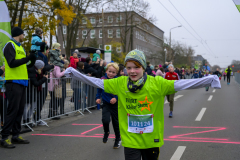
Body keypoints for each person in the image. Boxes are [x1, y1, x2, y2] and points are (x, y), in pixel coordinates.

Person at [64, 49, 220, 160]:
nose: (132, 71)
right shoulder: (120, 83)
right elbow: (97, 82)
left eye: (136, 67)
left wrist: (209, 79)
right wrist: (75, 73)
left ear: (143, 67)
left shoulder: (157, 83)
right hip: (131, 139)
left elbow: (181, 84)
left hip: (151, 140)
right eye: (129, 68)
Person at [1, 27, 37, 148]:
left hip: (22, 82)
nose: (24, 35)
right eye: (23, 34)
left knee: (19, 110)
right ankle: (4, 137)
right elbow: (11, 63)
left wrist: (31, 60)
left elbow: (24, 64)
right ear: (18, 34)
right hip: (13, 82)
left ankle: (15, 135)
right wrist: (27, 58)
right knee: (12, 110)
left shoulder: (20, 47)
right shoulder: (9, 45)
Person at [96, 63, 121, 149]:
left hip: (115, 105)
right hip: (106, 104)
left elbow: (121, 91)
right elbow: (99, 90)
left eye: (113, 72)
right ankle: (106, 132)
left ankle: (118, 139)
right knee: (105, 120)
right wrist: (98, 98)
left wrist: (116, 98)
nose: (111, 73)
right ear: (106, 71)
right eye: (109, 71)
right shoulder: (102, 79)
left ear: (116, 73)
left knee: (116, 123)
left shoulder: (118, 81)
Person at [23, 60, 48, 126]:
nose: (43, 68)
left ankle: (28, 119)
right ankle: (25, 121)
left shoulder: (36, 71)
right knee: (27, 106)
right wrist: (44, 79)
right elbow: (36, 83)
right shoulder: (32, 72)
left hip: (33, 91)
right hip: (28, 90)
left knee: (33, 105)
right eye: (42, 66)